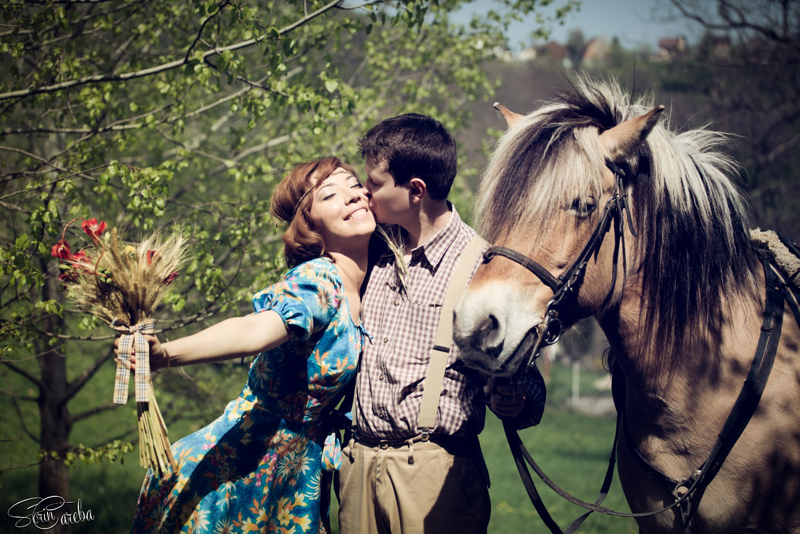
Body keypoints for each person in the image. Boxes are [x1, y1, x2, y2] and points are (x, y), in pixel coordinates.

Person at [118, 157, 375, 534]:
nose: (353, 197)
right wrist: (165, 355)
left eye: (355, 186)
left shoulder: (374, 283)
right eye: (332, 194)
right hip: (240, 466)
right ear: (309, 222)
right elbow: (255, 331)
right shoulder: (319, 281)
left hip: (295, 474)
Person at [337, 114, 546, 534]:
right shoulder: (371, 248)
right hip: (357, 469)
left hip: (432, 475)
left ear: (415, 191)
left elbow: (530, 386)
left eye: (374, 184)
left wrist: (516, 398)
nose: (365, 192)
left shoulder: (482, 266)